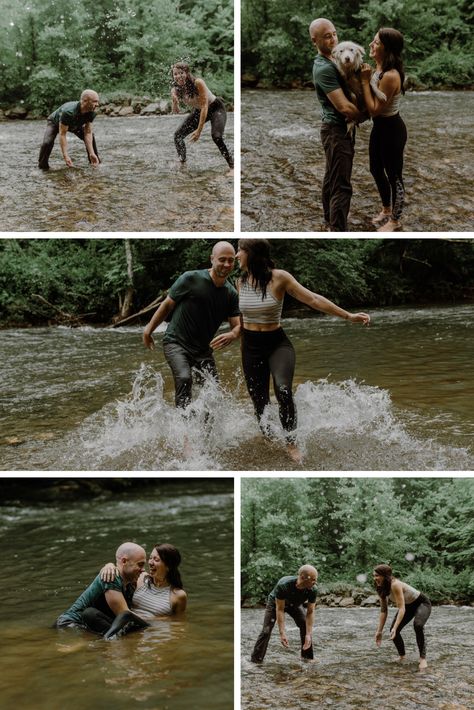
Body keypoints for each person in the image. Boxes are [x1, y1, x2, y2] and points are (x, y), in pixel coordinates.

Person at [236, 239, 370, 463]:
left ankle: (291, 442)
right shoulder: (240, 281)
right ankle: (268, 439)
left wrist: (348, 316)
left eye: (240, 250)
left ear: (252, 253)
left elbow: (313, 299)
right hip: (250, 346)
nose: (236, 254)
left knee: (283, 390)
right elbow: (243, 317)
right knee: (258, 399)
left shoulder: (280, 277)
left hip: (277, 344)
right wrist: (235, 334)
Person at [143, 241, 240, 412]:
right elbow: (167, 305)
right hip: (176, 342)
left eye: (231, 260)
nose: (226, 264)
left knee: (212, 391)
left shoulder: (231, 293)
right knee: (184, 378)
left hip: (203, 350)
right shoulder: (191, 278)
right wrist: (148, 330)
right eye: (222, 259)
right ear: (212, 259)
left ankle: (205, 433)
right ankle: (185, 430)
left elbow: (238, 326)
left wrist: (233, 334)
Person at [309, 19, 364, 231]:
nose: (333, 39)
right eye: (327, 36)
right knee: (342, 185)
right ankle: (338, 229)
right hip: (335, 130)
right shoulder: (324, 68)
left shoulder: (337, 60)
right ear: (314, 40)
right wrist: (371, 114)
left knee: (332, 176)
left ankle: (328, 222)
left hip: (335, 130)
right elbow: (345, 108)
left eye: (334, 34)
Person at [361, 29, 407, 232]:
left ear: (386, 48)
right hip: (380, 128)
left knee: (394, 175)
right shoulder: (378, 68)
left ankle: (395, 221)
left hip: (392, 129)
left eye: (376, 42)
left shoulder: (391, 75)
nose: (371, 44)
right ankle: (387, 209)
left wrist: (364, 81)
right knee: (375, 169)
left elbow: (374, 110)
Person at [55, 542, 149, 639]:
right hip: (70, 625)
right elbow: (125, 616)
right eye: (140, 565)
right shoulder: (111, 577)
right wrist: (150, 627)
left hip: (90, 623)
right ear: (124, 561)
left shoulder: (130, 583)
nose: (143, 570)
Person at [171, 62, 234, 174]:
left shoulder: (198, 83)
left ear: (187, 73)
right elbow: (175, 110)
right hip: (198, 110)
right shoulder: (176, 89)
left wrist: (198, 131)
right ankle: (182, 161)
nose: (178, 76)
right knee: (178, 136)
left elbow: (205, 107)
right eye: (175, 74)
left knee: (217, 136)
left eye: (181, 73)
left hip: (215, 108)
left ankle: (233, 167)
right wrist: (175, 102)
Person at [251, 565, 318, 663]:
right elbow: (280, 609)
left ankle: (307, 658)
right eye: (313, 579)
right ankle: (256, 660)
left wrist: (308, 634)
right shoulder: (284, 585)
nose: (315, 582)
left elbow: (310, 612)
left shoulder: (313, 589)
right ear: (303, 577)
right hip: (275, 604)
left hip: (294, 605)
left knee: (304, 625)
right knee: (266, 630)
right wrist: (282, 633)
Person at [101, 543, 187, 620]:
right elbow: (123, 568)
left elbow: (178, 622)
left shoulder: (178, 595)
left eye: (156, 560)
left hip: (154, 631)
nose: (150, 562)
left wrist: (152, 619)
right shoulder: (141, 577)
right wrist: (109, 565)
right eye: (150, 558)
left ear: (169, 566)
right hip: (129, 625)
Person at [373, 564, 432, 670]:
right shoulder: (380, 587)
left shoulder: (395, 584)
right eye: (374, 576)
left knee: (418, 625)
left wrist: (396, 627)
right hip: (407, 606)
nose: (375, 578)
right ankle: (402, 656)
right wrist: (379, 631)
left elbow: (401, 608)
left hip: (422, 604)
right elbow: (383, 611)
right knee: (393, 631)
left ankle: (423, 658)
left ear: (385, 576)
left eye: (377, 575)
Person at [38, 89, 100, 170]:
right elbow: (62, 134)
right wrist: (66, 156)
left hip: (74, 123)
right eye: (94, 101)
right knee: (47, 142)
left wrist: (91, 153)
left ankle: (94, 161)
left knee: (91, 136)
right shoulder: (68, 112)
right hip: (55, 122)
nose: (97, 104)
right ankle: (42, 167)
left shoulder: (92, 112)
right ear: (85, 101)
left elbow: (87, 132)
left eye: (97, 101)